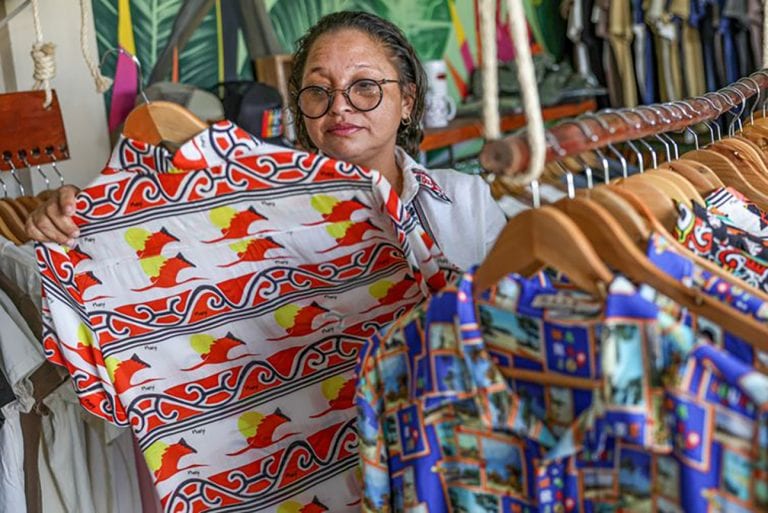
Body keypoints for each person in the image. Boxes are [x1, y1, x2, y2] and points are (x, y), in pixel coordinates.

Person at [26, 11, 506, 271]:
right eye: (318, 90)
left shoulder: (469, 204)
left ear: (406, 101)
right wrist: (69, 217)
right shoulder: (253, 214)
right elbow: (148, 250)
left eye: (364, 86)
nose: (339, 106)